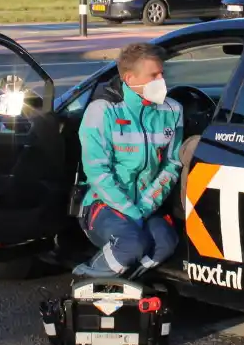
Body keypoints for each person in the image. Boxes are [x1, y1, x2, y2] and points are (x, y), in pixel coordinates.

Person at [72, 42, 183, 279]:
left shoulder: (173, 111)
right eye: (154, 75)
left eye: (162, 73)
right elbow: (97, 171)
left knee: (165, 243)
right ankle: (87, 277)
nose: (161, 80)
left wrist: (144, 206)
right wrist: (130, 211)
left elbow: (172, 165)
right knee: (131, 243)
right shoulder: (102, 111)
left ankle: (126, 282)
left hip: (146, 203)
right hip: (103, 203)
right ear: (130, 79)